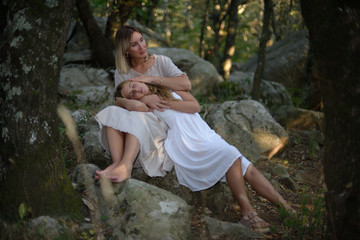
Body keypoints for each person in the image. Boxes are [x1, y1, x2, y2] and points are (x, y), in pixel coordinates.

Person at [114, 80, 295, 232]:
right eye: (131, 93)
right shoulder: (143, 104)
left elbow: (195, 106)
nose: (136, 90)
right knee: (231, 155)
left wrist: (161, 100)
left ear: (140, 79)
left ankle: (287, 209)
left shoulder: (171, 89)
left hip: (206, 135)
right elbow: (131, 105)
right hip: (187, 142)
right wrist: (131, 99)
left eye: (133, 85)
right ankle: (247, 213)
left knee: (248, 168)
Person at [95, 25, 191, 183]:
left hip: (160, 120)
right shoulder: (123, 72)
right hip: (137, 116)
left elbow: (186, 84)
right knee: (113, 111)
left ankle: (126, 167)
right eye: (134, 45)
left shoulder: (161, 62)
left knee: (138, 115)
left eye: (141, 40)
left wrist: (152, 79)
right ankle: (116, 164)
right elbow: (119, 101)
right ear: (126, 50)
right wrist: (142, 100)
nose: (142, 47)